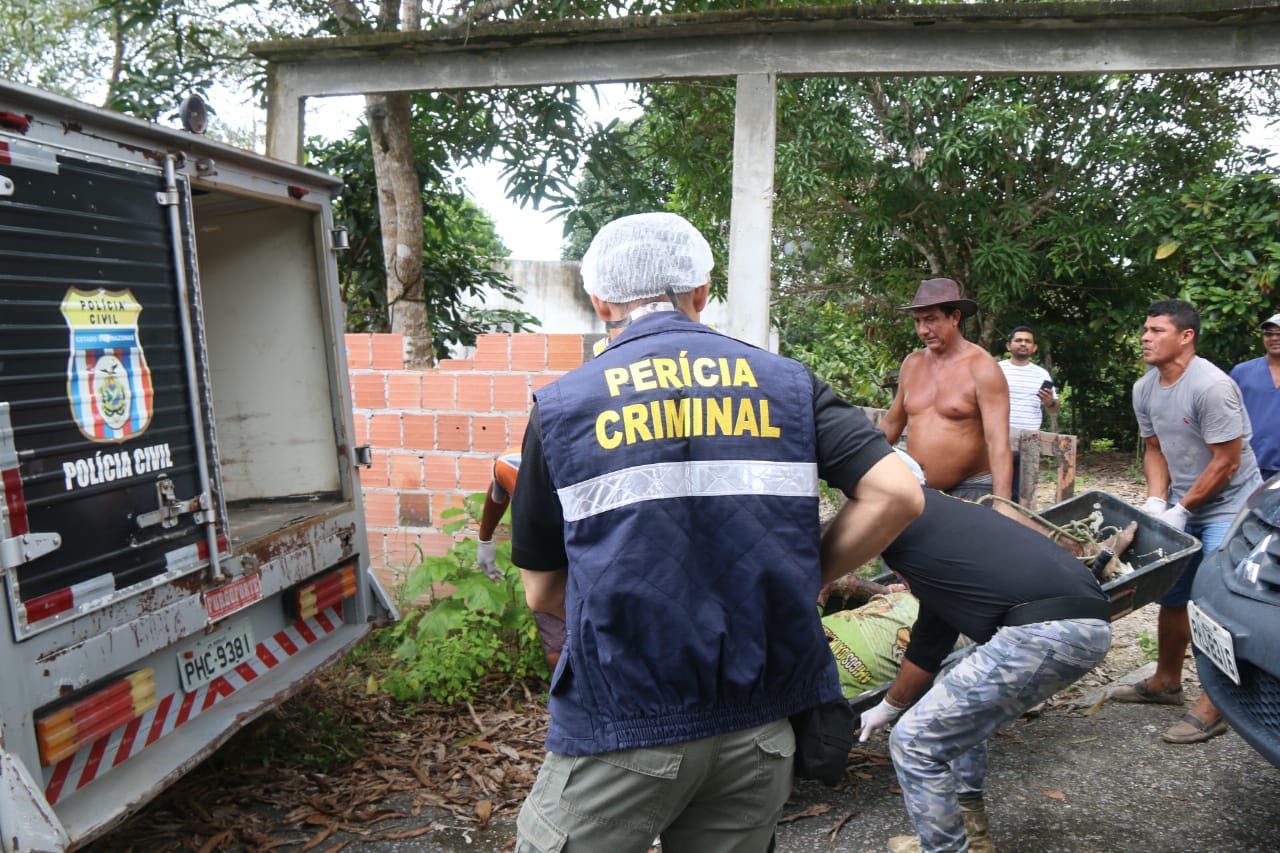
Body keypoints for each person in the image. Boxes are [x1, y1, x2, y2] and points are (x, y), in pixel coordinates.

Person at [509, 212, 924, 852]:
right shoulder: (788, 384)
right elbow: (897, 492)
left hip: (627, 722)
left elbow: (542, 594)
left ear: (598, 299)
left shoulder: (564, 406)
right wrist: (800, 577)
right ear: (702, 292)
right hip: (759, 726)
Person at [841, 488, 1113, 853]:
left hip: (1045, 631)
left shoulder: (902, 532)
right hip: (1086, 625)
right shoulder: (941, 520)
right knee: (950, 694)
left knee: (914, 743)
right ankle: (973, 834)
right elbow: (934, 632)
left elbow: (930, 632)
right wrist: (890, 705)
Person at [1111, 299, 1263, 744]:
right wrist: (1158, 502)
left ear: (1186, 336)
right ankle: (1166, 682)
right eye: (1145, 329)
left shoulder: (1211, 386)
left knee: (1214, 602)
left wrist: (1183, 510)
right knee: (1172, 594)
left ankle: (1217, 705)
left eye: (1157, 330)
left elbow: (1227, 463)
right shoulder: (1145, 388)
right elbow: (1155, 448)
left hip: (1228, 504)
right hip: (1183, 502)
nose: (1145, 337)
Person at [879, 278, 1014, 509]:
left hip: (973, 487)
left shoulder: (982, 367)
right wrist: (859, 458)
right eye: (918, 321)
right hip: (919, 485)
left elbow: (998, 442)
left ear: (955, 318)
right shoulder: (912, 364)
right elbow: (893, 421)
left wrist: (1002, 503)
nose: (923, 330)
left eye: (931, 319)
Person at [474, 446, 566, 670]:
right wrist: (485, 539)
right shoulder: (513, 465)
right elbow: (498, 490)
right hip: (547, 551)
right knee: (557, 650)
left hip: (596, 548)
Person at [998, 325, 1061, 503]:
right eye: (1018, 340)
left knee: (1025, 495)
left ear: (1034, 348)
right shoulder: (996, 369)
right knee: (998, 491)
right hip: (1000, 439)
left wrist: (1049, 401)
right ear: (1009, 345)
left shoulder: (1041, 373)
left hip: (1030, 441)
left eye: (1028, 341)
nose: (1023, 344)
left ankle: (1021, 526)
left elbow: (1054, 408)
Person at [1228, 312, 1280, 481]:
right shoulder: (1242, 372)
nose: (1274, 338)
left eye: (1279, 333)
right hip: (1249, 465)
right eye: (1268, 334)